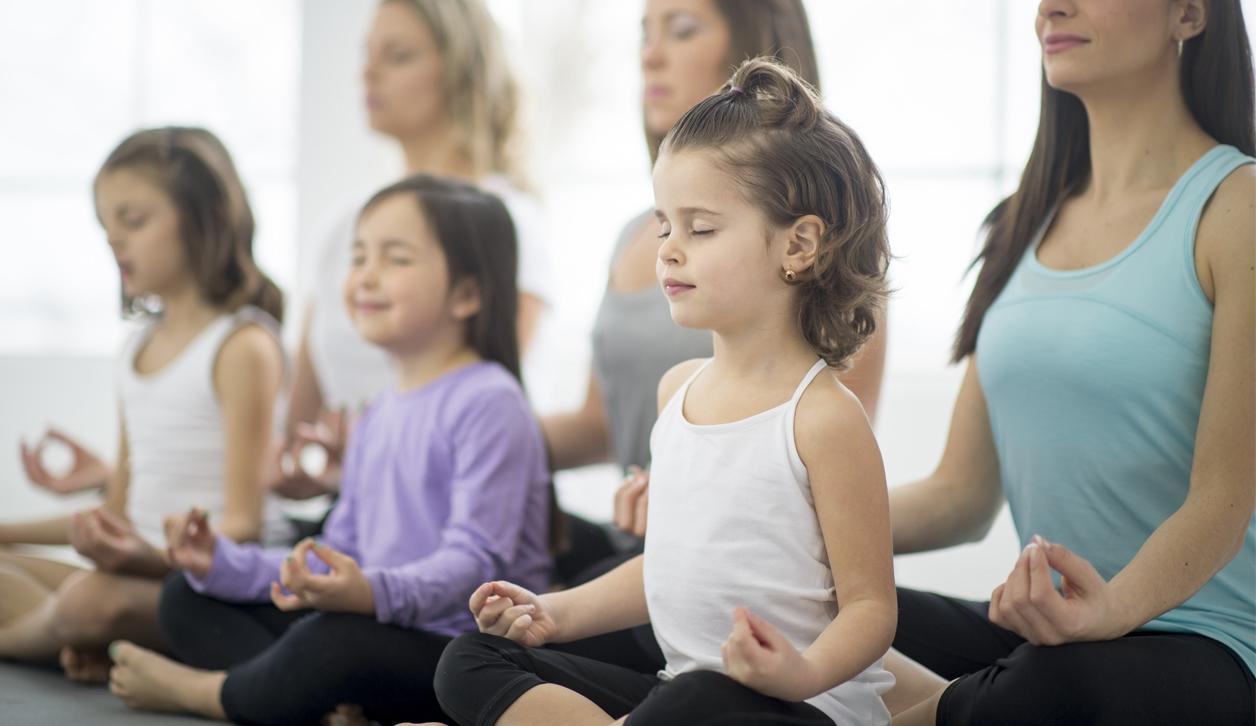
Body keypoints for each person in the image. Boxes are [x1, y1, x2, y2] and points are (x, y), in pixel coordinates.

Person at [433, 58, 897, 726]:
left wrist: (801, 673)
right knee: (471, 659)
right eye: (664, 226)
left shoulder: (822, 418)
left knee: (697, 698)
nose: (670, 250)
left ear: (798, 246)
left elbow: (872, 610)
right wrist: (554, 612)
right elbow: (669, 564)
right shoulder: (678, 392)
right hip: (679, 695)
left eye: (700, 228)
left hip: (798, 710)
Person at [886, 1, 1255, 724]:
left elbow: (1223, 499)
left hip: (1210, 644)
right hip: (1056, 640)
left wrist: (1112, 610)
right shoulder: (1021, 222)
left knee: (1050, 687)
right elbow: (960, 496)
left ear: (1188, 13)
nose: (1051, 7)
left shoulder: (1235, 209)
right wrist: (785, 524)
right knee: (810, 601)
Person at [107, 175, 552, 726]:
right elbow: (339, 547)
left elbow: (473, 569)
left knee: (335, 641)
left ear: (466, 293)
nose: (365, 275)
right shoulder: (379, 412)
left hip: (459, 649)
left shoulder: (490, 401)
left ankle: (209, 693)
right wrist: (222, 563)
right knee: (185, 598)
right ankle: (319, 705)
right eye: (359, 256)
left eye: (395, 259)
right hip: (376, 619)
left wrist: (368, 591)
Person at [0, 127, 290, 682]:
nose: (114, 240)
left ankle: (37, 640)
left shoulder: (242, 346)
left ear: (205, 217)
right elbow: (116, 512)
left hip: (203, 586)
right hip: (131, 572)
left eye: (132, 221)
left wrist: (143, 558)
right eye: (106, 226)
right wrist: (7, 530)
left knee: (90, 601)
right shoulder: (136, 346)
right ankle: (84, 641)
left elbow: (244, 527)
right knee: (74, 591)